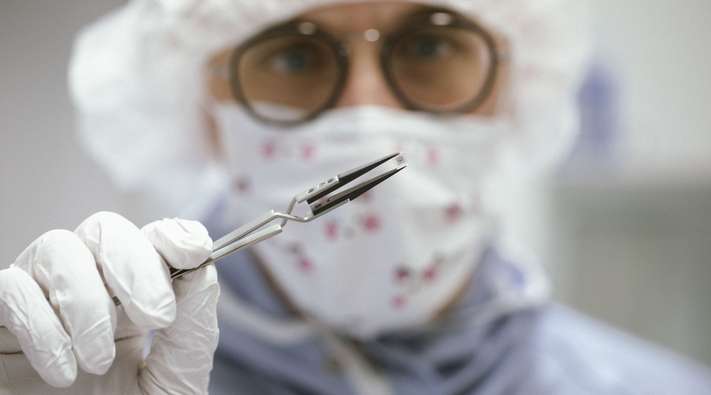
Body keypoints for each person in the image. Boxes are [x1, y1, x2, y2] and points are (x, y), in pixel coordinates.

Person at [1, 1, 710, 394]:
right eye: (293, 56)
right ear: (204, 106)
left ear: (512, 88)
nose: (365, 111)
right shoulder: (103, 378)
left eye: (429, 47)